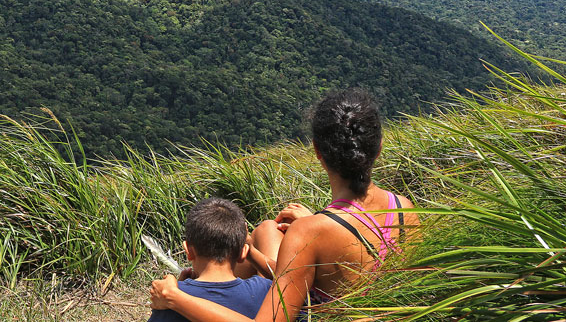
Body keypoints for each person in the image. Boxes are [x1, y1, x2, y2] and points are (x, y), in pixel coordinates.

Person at [150, 89, 418, 322]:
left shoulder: (310, 234)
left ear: (318, 152)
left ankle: (203, 283)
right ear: (379, 147)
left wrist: (175, 297)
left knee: (267, 232)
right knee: (267, 229)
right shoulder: (405, 209)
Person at [149, 197, 272, 322]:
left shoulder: (166, 296)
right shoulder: (265, 290)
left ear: (188, 251)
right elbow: (282, 276)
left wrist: (182, 287)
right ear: (243, 253)